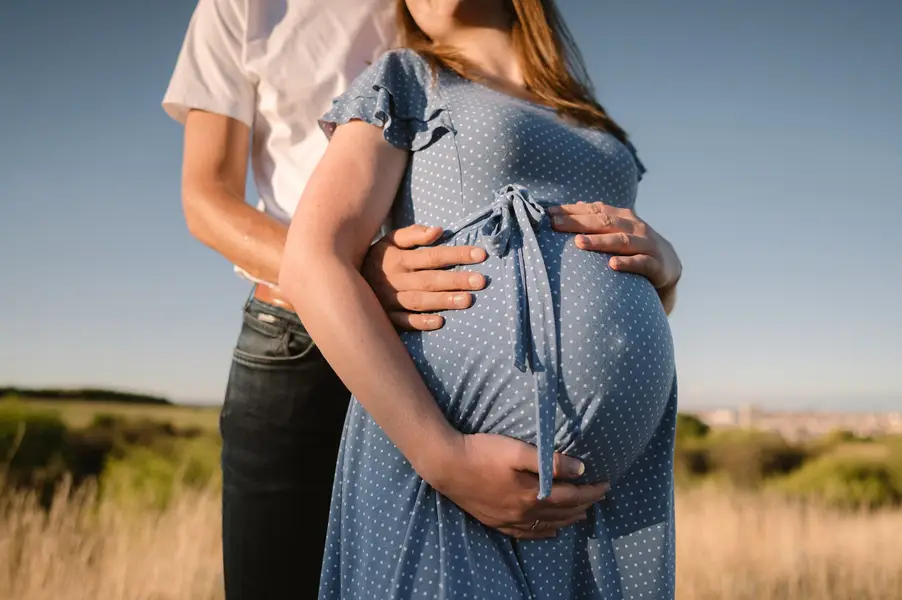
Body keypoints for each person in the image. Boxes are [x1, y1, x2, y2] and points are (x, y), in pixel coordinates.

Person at [163, 0, 682, 597]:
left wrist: (665, 272)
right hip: (306, 331)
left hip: (587, 481)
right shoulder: (368, 57)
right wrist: (359, 272)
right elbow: (216, 205)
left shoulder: (569, 110)